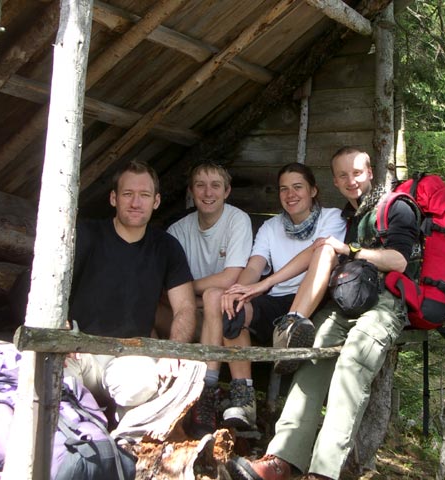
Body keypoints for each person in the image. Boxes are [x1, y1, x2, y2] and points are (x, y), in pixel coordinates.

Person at [226, 147, 419, 480]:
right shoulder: (349, 217)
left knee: (351, 367)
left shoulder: (397, 207)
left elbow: (399, 262)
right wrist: (263, 284)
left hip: (387, 303)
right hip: (346, 302)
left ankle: (322, 472)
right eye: (342, 175)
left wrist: (350, 249)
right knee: (311, 361)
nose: (350, 181)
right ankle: (281, 460)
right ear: (334, 180)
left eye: (356, 173)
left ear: (370, 172)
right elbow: (318, 251)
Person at [198, 163, 346, 435]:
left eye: (298, 187)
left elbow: (317, 252)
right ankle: (244, 399)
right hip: (276, 299)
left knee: (256, 302)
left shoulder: (331, 218)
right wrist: (238, 290)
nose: (290, 194)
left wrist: (265, 283)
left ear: (313, 190)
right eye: (284, 189)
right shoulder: (270, 226)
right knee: (234, 309)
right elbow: (255, 265)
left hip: (311, 301)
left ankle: (291, 329)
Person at [64, 159, 197, 419]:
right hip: (80, 350)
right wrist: (60, 325)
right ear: (114, 198)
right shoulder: (86, 235)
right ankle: (85, 428)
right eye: (128, 194)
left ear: (156, 201)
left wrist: (173, 349)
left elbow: (185, 307)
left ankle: (123, 436)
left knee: (144, 383)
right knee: (57, 382)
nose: (136, 203)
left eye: (144, 195)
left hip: (129, 356)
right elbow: (38, 282)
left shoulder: (166, 247)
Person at [163, 162, 253, 437]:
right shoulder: (178, 230)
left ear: (227, 191)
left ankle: (207, 390)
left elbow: (230, 278)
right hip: (191, 312)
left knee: (218, 297)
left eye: (215, 185)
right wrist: (188, 299)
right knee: (151, 306)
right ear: (191, 191)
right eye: (200, 185)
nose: (208, 192)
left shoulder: (237, 220)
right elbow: (165, 289)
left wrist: (186, 291)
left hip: (224, 308)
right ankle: (163, 393)